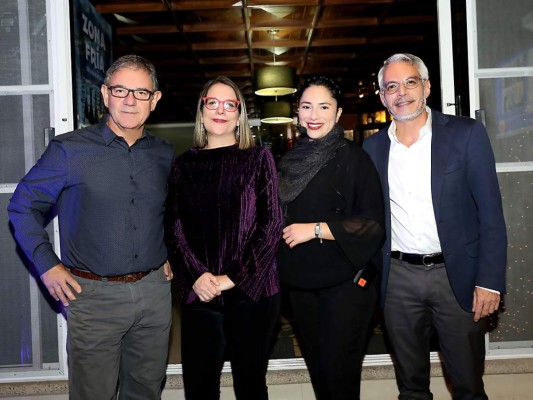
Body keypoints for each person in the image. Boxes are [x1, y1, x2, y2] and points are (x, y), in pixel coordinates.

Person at [8, 55, 174, 399]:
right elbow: (22, 206)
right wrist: (47, 266)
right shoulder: (70, 151)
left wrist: (170, 250)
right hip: (94, 297)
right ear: (104, 94)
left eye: (141, 92)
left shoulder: (164, 154)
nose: (129, 100)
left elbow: (171, 211)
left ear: (155, 100)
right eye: (120, 90)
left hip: (155, 292)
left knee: (146, 390)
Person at [363, 53, 507, 400]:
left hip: (456, 276)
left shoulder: (466, 134)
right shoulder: (372, 148)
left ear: (426, 86)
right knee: (411, 387)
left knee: (468, 386)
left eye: (411, 82)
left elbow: (491, 214)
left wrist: (489, 281)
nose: (402, 93)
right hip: (397, 280)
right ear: (382, 97)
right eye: (391, 86)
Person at [165, 76, 283, 400]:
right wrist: (197, 277)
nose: (221, 110)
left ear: (239, 113)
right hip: (200, 293)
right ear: (202, 110)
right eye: (213, 103)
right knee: (199, 390)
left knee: (250, 388)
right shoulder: (183, 165)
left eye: (230, 104)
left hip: (252, 294)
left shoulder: (258, 158)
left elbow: (271, 226)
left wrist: (232, 278)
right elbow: (173, 227)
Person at [277, 76, 385, 400]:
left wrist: (313, 229)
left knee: (340, 379)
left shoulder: (355, 159)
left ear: (338, 114)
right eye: (307, 106)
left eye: (324, 106)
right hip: (300, 286)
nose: (314, 114)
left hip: (346, 286)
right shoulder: (288, 163)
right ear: (297, 112)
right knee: (320, 377)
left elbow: (371, 224)